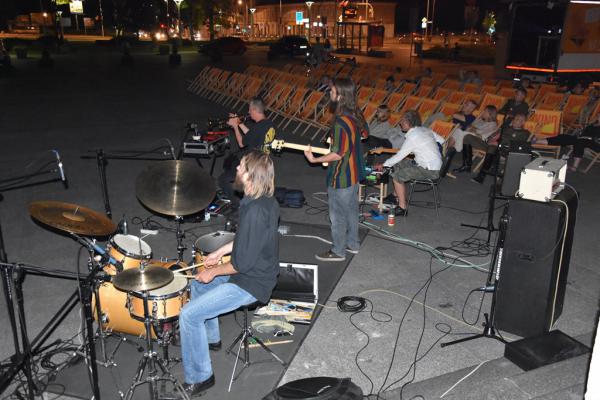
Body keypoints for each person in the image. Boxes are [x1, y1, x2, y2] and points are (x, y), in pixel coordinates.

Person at [178, 150, 280, 397]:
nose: (236, 169)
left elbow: (240, 265)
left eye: (241, 167)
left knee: (188, 315)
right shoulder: (261, 200)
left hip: (251, 282)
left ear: (250, 176)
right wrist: (219, 252)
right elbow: (246, 239)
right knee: (198, 286)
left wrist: (213, 272)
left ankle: (201, 377)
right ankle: (211, 339)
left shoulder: (256, 210)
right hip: (250, 271)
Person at [304, 77, 366, 262]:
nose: (329, 93)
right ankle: (353, 244)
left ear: (340, 96)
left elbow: (338, 154)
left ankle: (338, 251)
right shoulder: (355, 114)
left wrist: (315, 159)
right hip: (354, 173)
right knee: (352, 211)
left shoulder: (340, 122)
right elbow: (364, 135)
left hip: (342, 176)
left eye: (331, 91)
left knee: (337, 215)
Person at [377, 110, 444, 215]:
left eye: (402, 121)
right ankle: (395, 196)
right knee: (397, 165)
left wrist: (384, 164)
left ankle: (402, 208)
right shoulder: (425, 130)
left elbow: (399, 155)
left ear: (409, 122)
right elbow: (442, 140)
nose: (400, 123)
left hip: (429, 170)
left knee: (397, 177)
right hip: (431, 165)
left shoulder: (413, 136)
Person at [218, 97, 276, 205]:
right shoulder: (269, 124)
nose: (248, 112)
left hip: (253, 165)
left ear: (254, 110)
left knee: (222, 179)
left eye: (250, 110)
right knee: (232, 164)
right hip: (263, 162)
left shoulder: (258, 126)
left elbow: (241, 143)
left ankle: (237, 205)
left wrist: (235, 127)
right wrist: (239, 123)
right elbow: (251, 135)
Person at [470, 111, 531, 184]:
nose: (514, 120)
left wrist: (499, 143)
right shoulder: (507, 129)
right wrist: (492, 139)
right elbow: (495, 137)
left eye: (517, 119)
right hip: (494, 147)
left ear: (523, 122)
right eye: (515, 118)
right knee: (469, 137)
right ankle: (482, 168)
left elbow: (517, 145)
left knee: (492, 148)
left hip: (507, 151)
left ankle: (481, 176)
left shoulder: (524, 133)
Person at [535, 112, 600, 171]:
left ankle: (575, 166)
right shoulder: (593, 124)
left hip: (595, 143)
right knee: (564, 136)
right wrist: (581, 131)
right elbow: (584, 133)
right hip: (582, 139)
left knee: (579, 142)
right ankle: (539, 141)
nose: (599, 117)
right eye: (599, 116)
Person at [446, 105, 499, 174]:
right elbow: (470, 125)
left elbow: (482, 135)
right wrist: (472, 128)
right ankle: (449, 151)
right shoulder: (480, 120)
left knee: (462, 133)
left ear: (490, 114)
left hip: (480, 140)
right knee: (458, 130)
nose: (483, 112)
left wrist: (473, 129)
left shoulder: (493, 124)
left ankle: (451, 152)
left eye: (485, 111)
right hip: (470, 134)